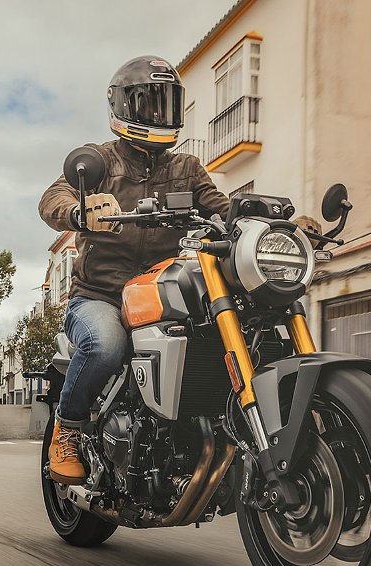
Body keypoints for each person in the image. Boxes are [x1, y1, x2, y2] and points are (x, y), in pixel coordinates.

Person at [39, 56, 230, 485]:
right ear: (123, 107)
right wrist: (78, 211)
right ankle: (67, 430)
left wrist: (265, 219)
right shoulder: (101, 163)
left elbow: (221, 207)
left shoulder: (187, 169)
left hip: (159, 290)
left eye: (165, 103)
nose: (158, 114)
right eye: (147, 103)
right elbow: (53, 198)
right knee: (106, 344)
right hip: (99, 295)